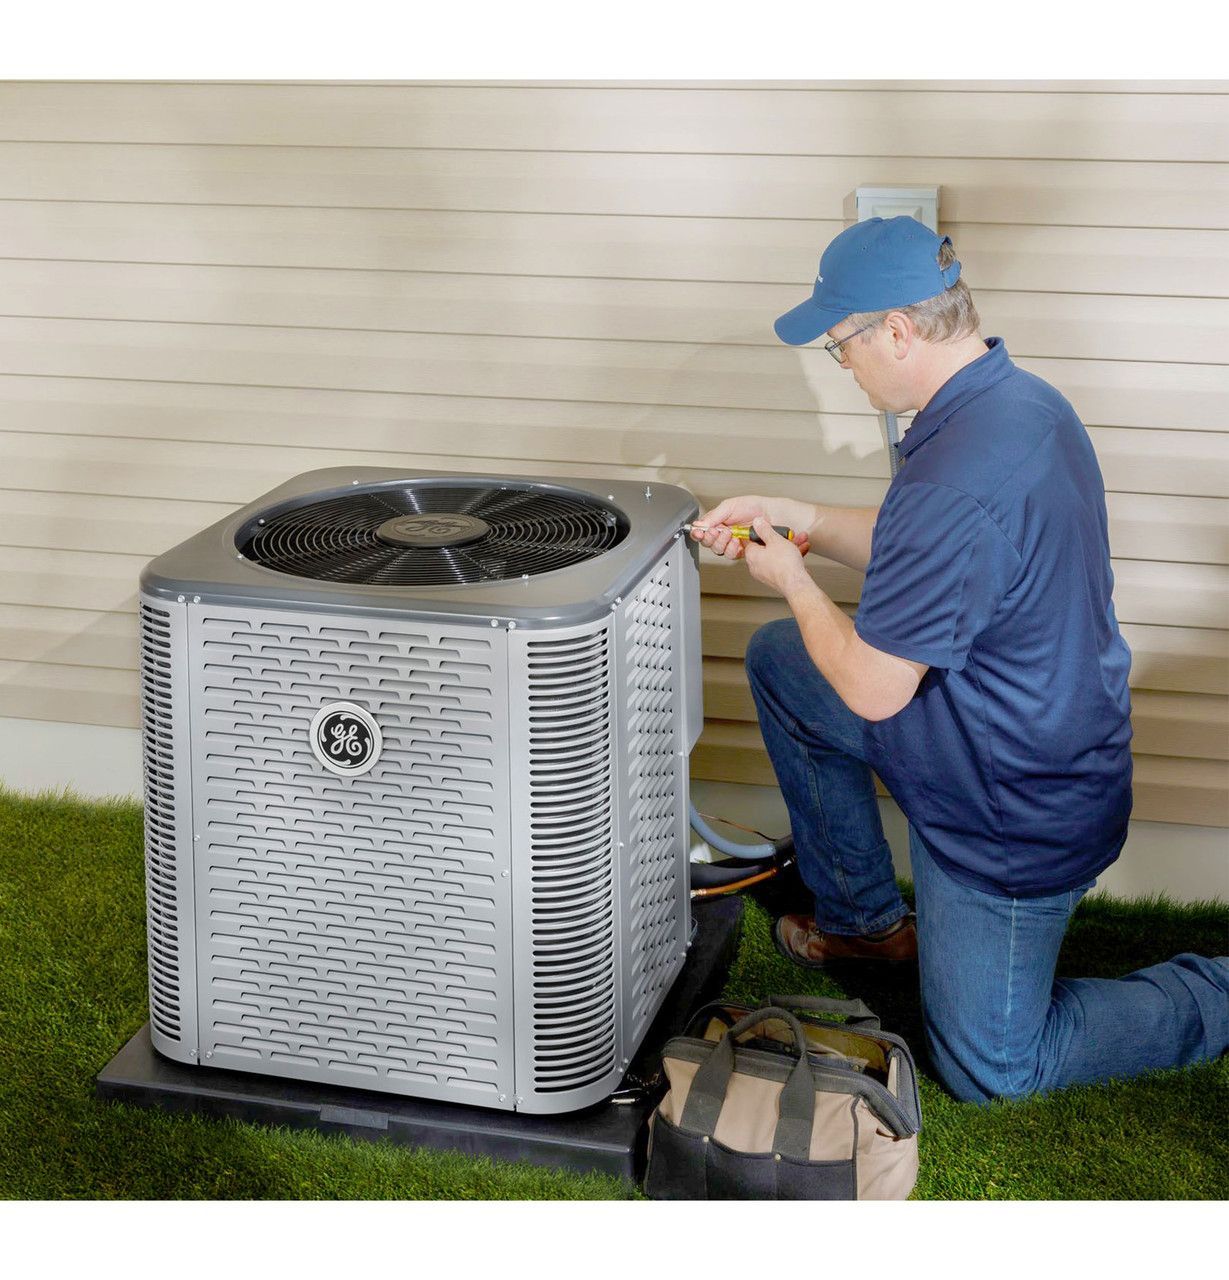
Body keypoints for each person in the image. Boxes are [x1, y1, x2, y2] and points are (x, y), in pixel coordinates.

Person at [693, 216, 1228, 1103]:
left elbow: (870, 686)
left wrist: (788, 575)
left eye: (841, 347)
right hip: (992, 726)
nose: (845, 366)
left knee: (993, 1070)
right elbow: (924, 546)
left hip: (1012, 808)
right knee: (787, 664)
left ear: (896, 331)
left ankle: (1213, 995)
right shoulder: (1013, 402)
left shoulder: (954, 473)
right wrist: (805, 518)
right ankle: (867, 926)